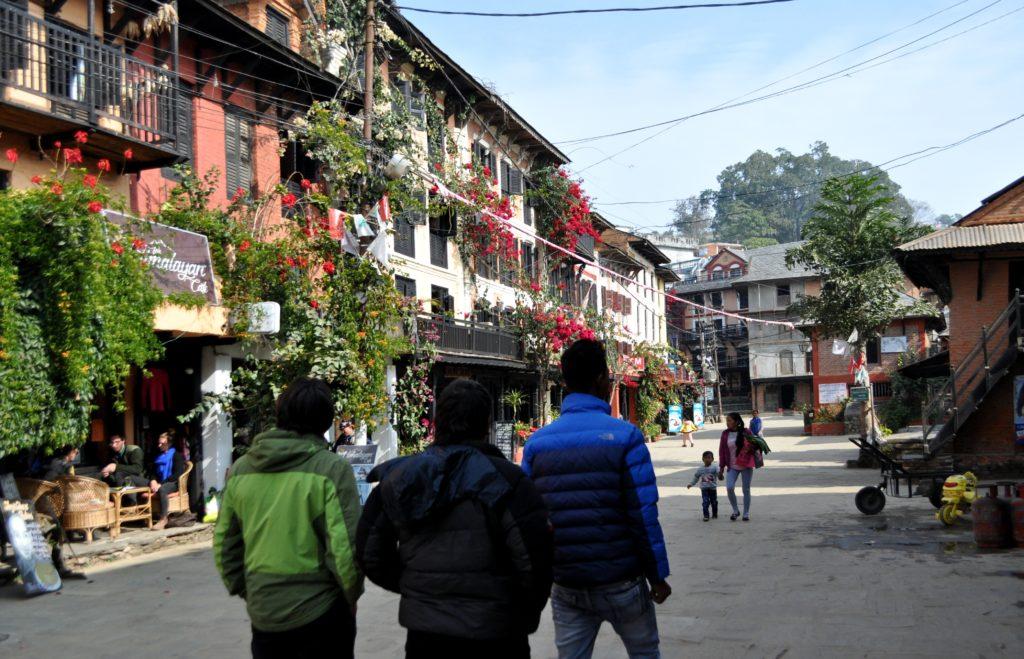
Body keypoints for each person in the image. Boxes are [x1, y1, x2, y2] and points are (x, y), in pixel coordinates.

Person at [357, 379, 553, 659]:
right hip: (497, 632)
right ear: (486, 424)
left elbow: (369, 552)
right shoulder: (509, 481)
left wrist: (415, 587)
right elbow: (536, 561)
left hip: (428, 633)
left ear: (438, 421)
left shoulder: (401, 477)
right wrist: (522, 612)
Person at [523, 339, 671, 659]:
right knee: (645, 653)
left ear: (566, 382)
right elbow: (643, 514)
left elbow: (530, 520)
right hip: (622, 582)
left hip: (567, 584)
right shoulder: (626, 436)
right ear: (603, 379)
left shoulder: (536, 445)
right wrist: (657, 576)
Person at [213, 377, 363, 659]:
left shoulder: (241, 470)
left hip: (264, 614)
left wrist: (250, 591)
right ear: (325, 421)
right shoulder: (332, 469)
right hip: (322, 613)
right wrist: (351, 597)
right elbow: (345, 551)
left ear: (280, 414)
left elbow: (224, 545)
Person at [718, 412, 760, 522]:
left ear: (736, 421)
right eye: (727, 421)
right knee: (729, 487)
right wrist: (721, 468)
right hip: (732, 466)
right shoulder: (725, 434)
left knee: (746, 489)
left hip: (746, 465)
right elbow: (722, 451)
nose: (727, 423)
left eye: (729, 421)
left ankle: (746, 513)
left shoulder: (746, 432)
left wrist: (752, 446)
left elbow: (755, 445)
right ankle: (735, 510)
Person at [148, 431, 185, 530]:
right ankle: (143, 517)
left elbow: (177, 474)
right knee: (142, 484)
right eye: (159, 443)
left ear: (169, 443)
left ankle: (163, 518)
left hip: (174, 483)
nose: (159, 445)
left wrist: (160, 484)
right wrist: (153, 480)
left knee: (163, 489)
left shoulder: (177, 456)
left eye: (162, 443)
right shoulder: (159, 456)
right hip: (160, 482)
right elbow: (153, 472)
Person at [687, 451, 719, 521]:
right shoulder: (700, 469)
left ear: (712, 459)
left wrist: (720, 475)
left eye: (709, 458)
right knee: (705, 502)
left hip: (712, 488)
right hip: (704, 489)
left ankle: (714, 513)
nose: (707, 459)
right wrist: (691, 484)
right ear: (703, 459)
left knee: (714, 502)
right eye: (706, 458)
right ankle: (706, 515)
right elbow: (696, 477)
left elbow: (719, 475)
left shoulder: (715, 467)